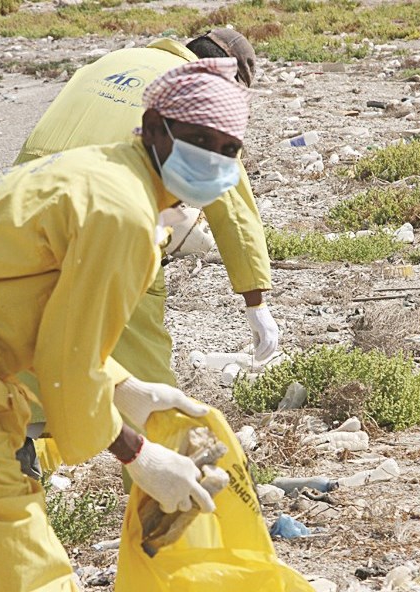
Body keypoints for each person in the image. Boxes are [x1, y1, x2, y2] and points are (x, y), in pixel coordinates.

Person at [0, 58, 251, 591]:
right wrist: (138, 454)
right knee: (5, 513)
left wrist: (124, 388)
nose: (213, 158)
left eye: (228, 148)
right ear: (154, 128)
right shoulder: (123, 214)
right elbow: (66, 360)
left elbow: (60, 322)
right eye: (199, 140)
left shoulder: (109, 170)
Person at [15, 29, 276, 390]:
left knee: (29, 336)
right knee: (144, 367)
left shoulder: (114, 60)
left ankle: (29, 420)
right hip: (109, 213)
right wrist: (255, 300)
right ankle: (151, 419)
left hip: (21, 198)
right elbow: (231, 205)